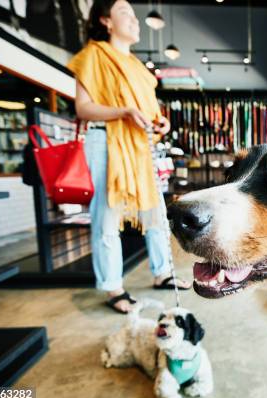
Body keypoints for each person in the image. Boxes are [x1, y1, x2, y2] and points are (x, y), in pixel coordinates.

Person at [67, 0, 190, 314]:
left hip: (139, 145)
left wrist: (161, 122)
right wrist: (121, 112)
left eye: (135, 16)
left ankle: (162, 273)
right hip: (105, 140)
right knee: (107, 215)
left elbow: (147, 113)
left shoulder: (138, 67)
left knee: (155, 212)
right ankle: (113, 287)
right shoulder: (93, 55)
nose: (135, 21)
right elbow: (83, 108)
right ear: (106, 21)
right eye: (125, 13)